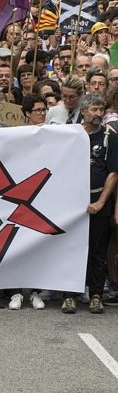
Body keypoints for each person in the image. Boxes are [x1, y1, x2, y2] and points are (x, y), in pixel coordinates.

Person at [62, 93, 117, 315]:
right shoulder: (70, 135)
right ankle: (68, 295)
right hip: (72, 205)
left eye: (101, 109)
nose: (98, 114)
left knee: (97, 251)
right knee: (70, 249)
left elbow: (113, 172)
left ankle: (96, 295)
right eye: (94, 109)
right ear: (83, 111)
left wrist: (101, 201)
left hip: (98, 203)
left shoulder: (110, 137)